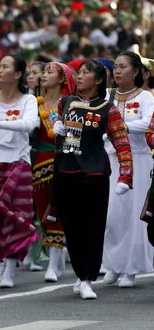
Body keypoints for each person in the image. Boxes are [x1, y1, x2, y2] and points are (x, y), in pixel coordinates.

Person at [52, 59, 133, 299]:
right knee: (72, 226)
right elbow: (58, 137)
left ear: (98, 80)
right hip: (66, 171)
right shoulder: (65, 103)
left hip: (95, 172)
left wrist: (125, 176)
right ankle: (81, 274)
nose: (80, 76)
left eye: (86, 73)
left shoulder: (108, 109)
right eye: (79, 72)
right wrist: (54, 128)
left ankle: (88, 277)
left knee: (94, 226)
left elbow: (122, 144)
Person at [0, 54, 40, 288]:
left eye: (4, 66)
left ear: (19, 73)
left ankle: (10, 267)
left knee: (17, 215)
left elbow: (29, 124)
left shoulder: (29, 101)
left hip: (19, 161)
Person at [102, 51, 154, 288]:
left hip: (138, 159)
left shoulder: (146, 97)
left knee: (133, 216)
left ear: (136, 71)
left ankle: (131, 270)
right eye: (115, 67)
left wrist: (117, 126)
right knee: (112, 215)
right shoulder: (106, 95)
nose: (117, 71)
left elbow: (148, 123)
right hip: (112, 160)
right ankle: (113, 265)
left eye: (123, 67)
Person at [35, 62, 75, 282]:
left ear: (61, 79)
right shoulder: (34, 103)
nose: (44, 75)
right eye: (44, 72)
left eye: (50, 72)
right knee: (44, 213)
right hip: (40, 163)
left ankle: (53, 262)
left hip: (63, 160)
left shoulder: (70, 103)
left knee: (58, 211)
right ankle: (56, 259)